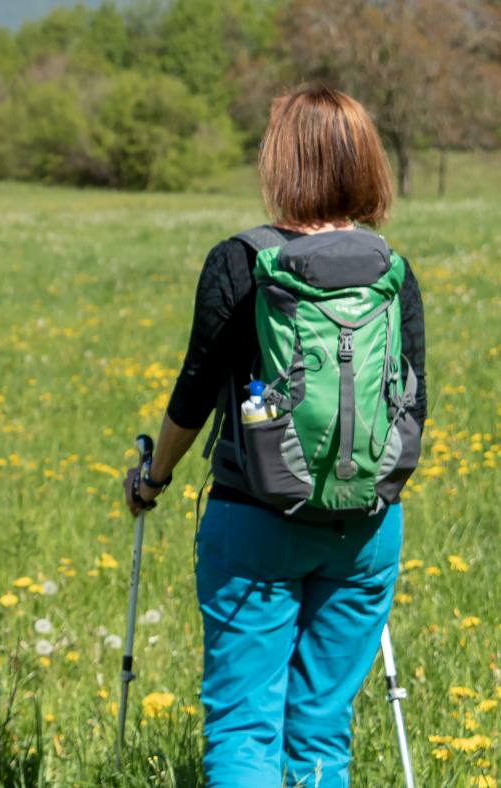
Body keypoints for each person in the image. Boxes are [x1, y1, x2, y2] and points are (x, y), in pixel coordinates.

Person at [123, 86, 426, 787]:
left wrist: (153, 479)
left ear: (281, 161)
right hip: (367, 524)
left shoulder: (242, 260)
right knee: (322, 728)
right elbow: (415, 406)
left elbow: (196, 390)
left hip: (254, 515)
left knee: (244, 726)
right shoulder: (391, 271)